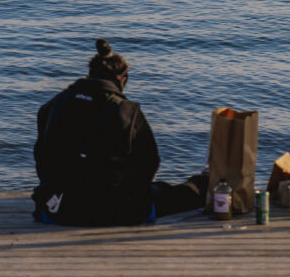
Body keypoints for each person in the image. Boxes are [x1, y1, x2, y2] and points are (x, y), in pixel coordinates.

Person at [32, 39, 207, 225]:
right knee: (182, 192)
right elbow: (149, 163)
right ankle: (207, 183)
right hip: (115, 210)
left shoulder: (52, 106)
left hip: (57, 208)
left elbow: (42, 159)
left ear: (90, 73)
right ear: (122, 78)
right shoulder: (127, 111)